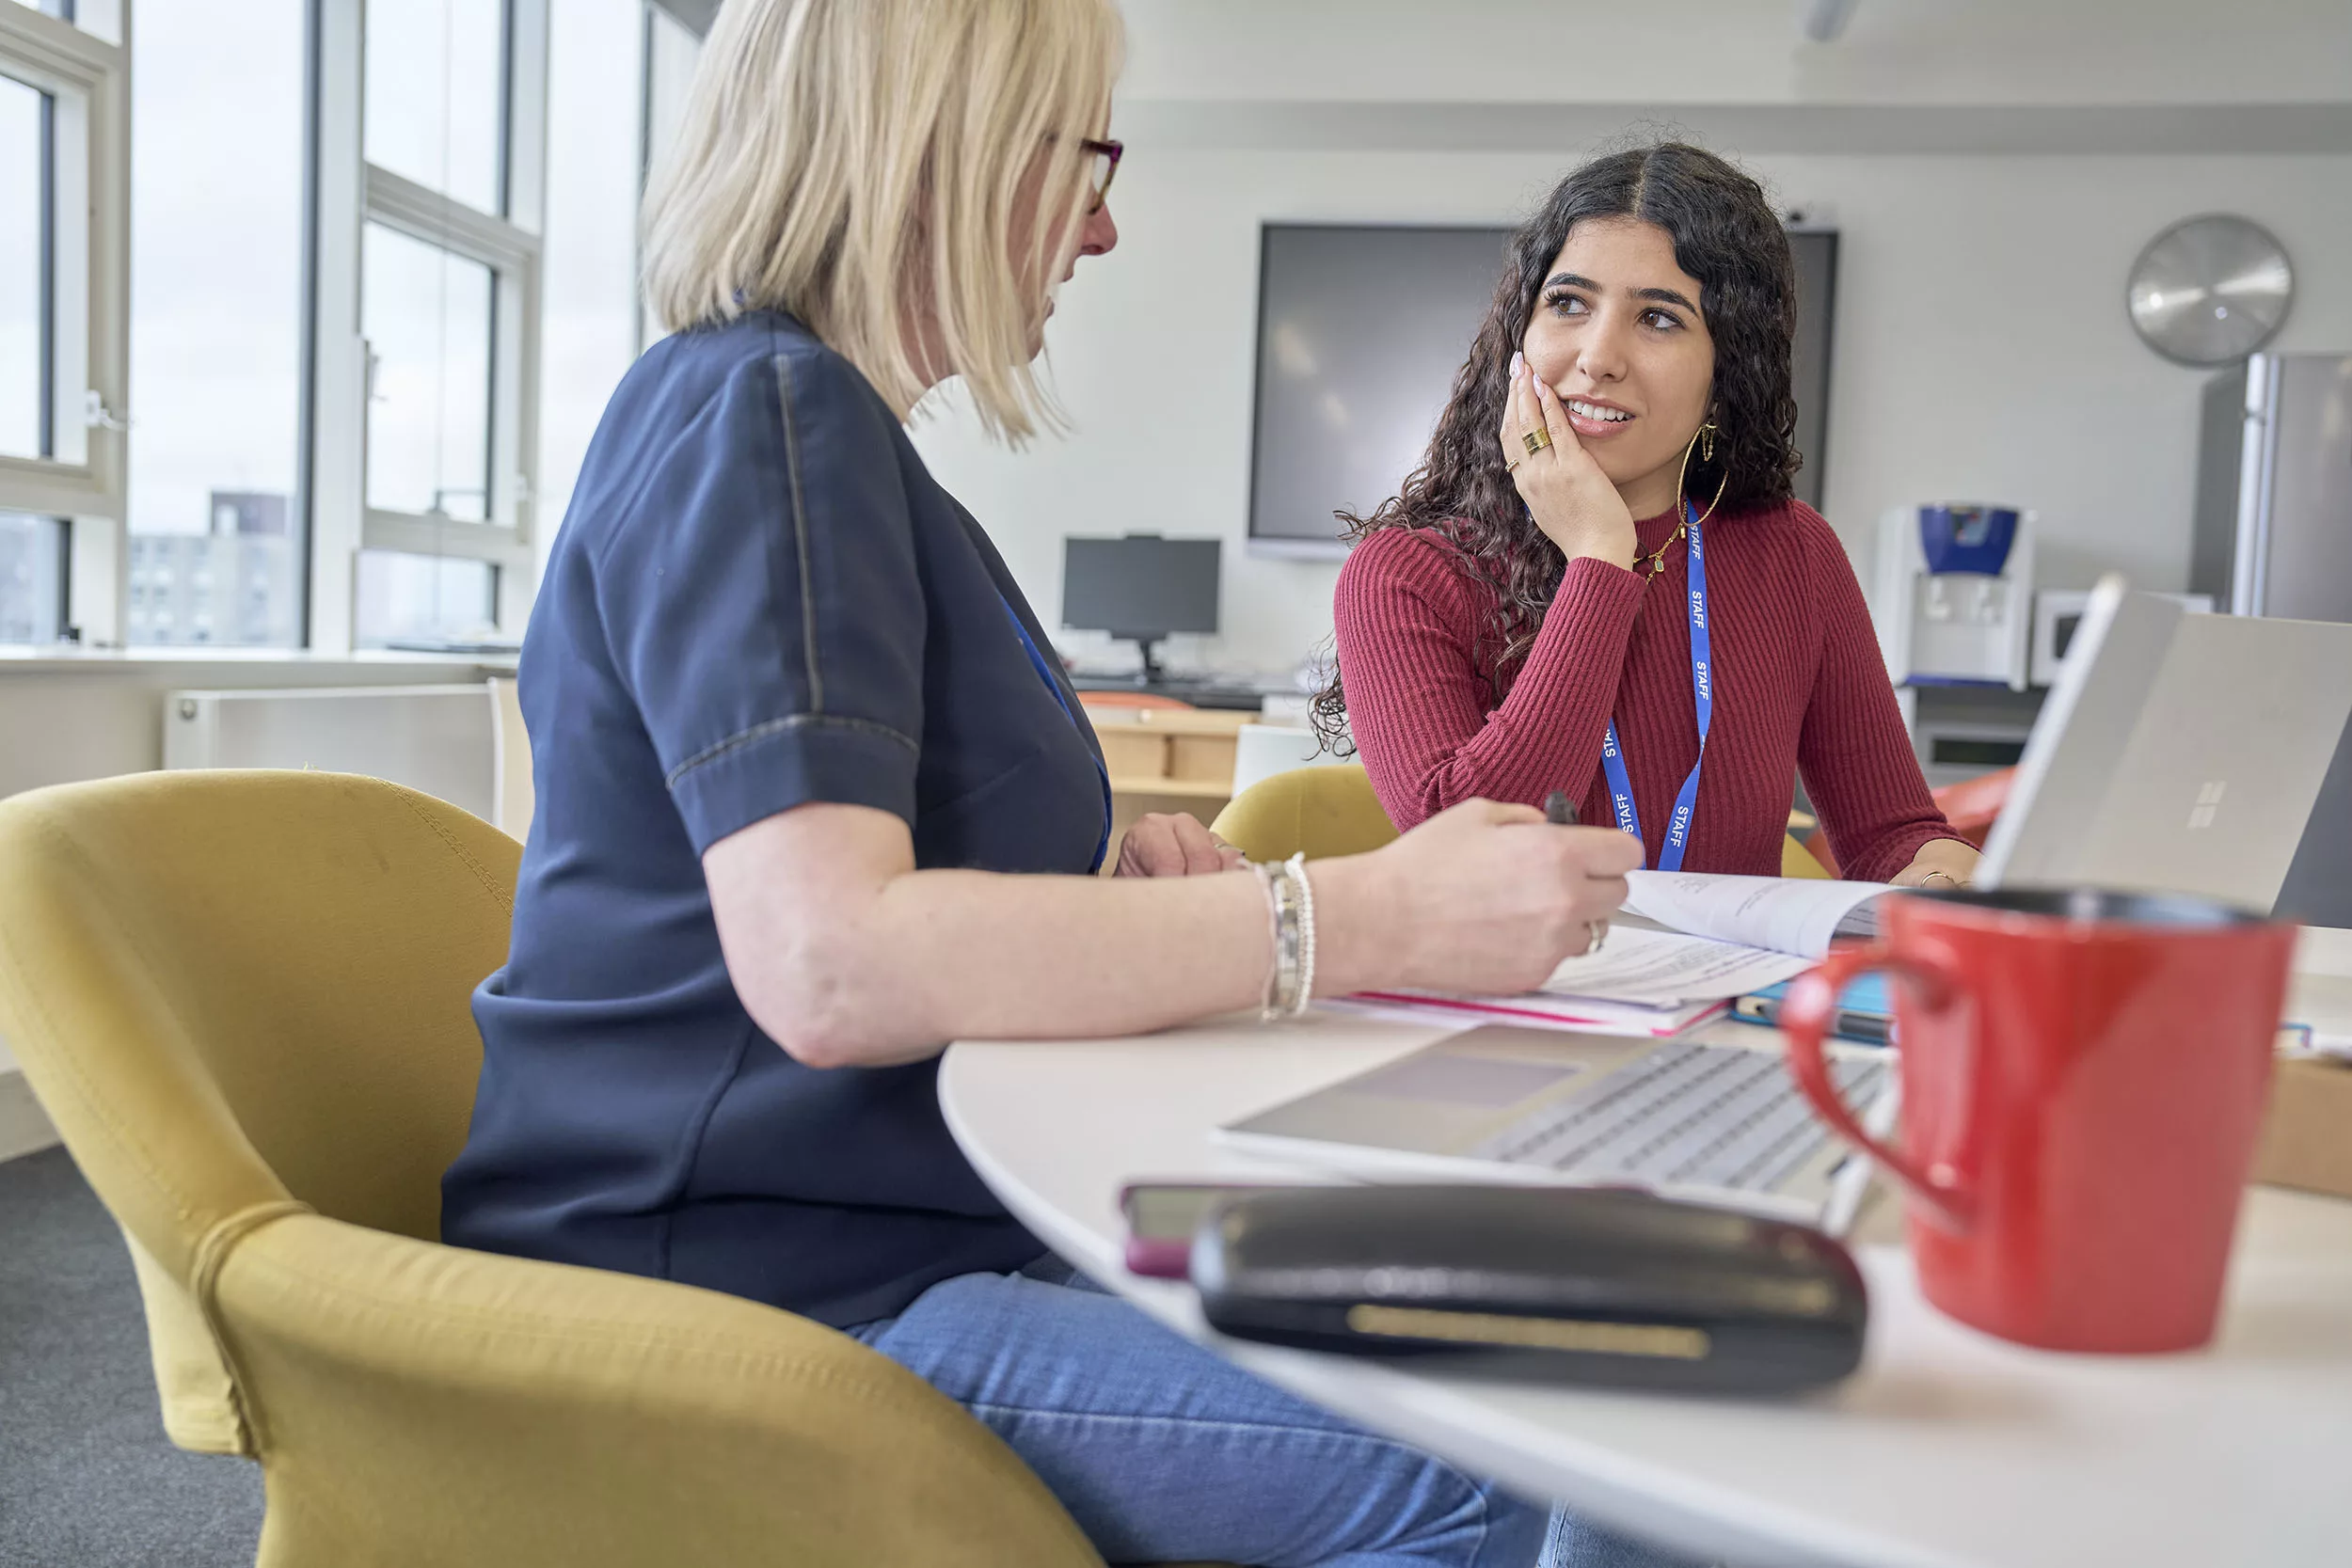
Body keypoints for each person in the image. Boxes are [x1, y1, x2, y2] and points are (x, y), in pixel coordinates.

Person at [440, 3, 1679, 1564]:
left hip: (878, 1219)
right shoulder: (771, 415)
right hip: (749, 1281)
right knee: (1517, 1468)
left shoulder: (807, 436)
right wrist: (1338, 918)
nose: (1101, 225)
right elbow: (829, 962)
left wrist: (1091, 888)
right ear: (936, 150)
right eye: (1084, 160)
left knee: (1485, 1335)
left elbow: (840, 888)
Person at [1319, 143, 1979, 889]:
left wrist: (1952, 876)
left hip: (1724, 1005)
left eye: (1659, 318)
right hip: (1512, 1004)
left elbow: (1894, 833)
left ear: (1728, 370)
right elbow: (1469, 846)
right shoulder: (1406, 574)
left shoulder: (1795, 554)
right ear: (1519, 339)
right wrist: (1602, 557)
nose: (1599, 357)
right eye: (1568, 303)